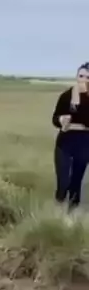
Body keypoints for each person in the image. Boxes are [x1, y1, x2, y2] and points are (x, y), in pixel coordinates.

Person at [52, 63, 89, 209]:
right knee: (63, 182)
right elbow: (55, 118)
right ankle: (57, 209)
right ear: (76, 77)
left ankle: (72, 216)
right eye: (81, 76)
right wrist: (61, 120)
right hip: (64, 143)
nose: (83, 80)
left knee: (75, 182)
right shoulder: (66, 96)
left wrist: (82, 101)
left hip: (84, 144)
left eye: (88, 77)